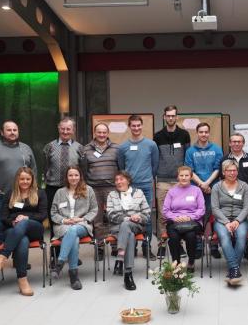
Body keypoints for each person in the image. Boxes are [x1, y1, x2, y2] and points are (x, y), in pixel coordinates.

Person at [0, 167, 47, 296]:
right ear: (17, 180)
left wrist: (26, 218)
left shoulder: (40, 193)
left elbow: (43, 215)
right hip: (13, 230)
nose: (25, 181)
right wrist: (13, 222)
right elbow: (4, 217)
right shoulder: (10, 194)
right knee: (22, 240)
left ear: (32, 180)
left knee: (24, 223)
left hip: (34, 228)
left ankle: (2, 257)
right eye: (22, 179)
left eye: (28, 179)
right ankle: (22, 280)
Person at [0, 120, 38, 233]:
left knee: (18, 228)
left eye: (15, 130)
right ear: (2, 132)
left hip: (21, 197)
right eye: (9, 130)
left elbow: (33, 170)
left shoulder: (26, 148)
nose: (12, 132)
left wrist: (33, 190)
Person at [117, 115, 159, 260]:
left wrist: (146, 178)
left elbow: (155, 166)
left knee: (146, 217)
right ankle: (131, 247)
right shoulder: (122, 147)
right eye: (133, 125)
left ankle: (147, 248)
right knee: (129, 216)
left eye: (138, 125)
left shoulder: (151, 145)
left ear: (142, 126)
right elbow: (121, 167)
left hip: (146, 186)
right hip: (129, 188)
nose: (136, 128)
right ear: (129, 126)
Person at [50, 165, 98, 290]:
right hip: (63, 226)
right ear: (66, 177)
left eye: (76, 175)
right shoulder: (60, 192)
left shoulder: (88, 190)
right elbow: (53, 213)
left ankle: (60, 262)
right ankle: (73, 276)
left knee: (74, 230)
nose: (73, 178)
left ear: (80, 176)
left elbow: (94, 210)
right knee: (74, 238)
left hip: (82, 224)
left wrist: (81, 219)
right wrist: (64, 220)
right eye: (70, 175)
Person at [154, 105, 191, 258]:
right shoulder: (157, 136)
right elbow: (155, 158)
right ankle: (162, 244)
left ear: (177, 117)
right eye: (168, 116)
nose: (170, 118)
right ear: (164, 117)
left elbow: (187, 158)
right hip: (162, 180)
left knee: (179, 212)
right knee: (163, 213)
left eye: (173, 116)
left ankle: (179, 244)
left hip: (179, 182)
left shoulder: (184, 135)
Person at [184, 122, 224, 259]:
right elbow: (190, 171)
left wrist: (207, 184)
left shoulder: (217, 149)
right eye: (201, 132)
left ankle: (214, 245)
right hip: (196, 189)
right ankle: (199, 246)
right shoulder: (190, 151)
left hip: (213, 188)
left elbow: (218, 168)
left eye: (206, 132)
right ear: (197, 133)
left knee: (214, 216)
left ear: (209, 133)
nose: (204, 134)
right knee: (198, 217)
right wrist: (202, 184)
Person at [106, 171, 151, 291]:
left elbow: (147, 214)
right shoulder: (111, 195)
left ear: (128, 180)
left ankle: (120, 257)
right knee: (129, 235)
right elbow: (110, 215)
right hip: (117, 227)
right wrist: (128, 218)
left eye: (121, 179)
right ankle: (128, 274)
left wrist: (139, 217)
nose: (119, 182)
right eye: (116, 180)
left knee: (127, 227)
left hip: (136, 226)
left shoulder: (139, 193)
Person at [211, 159, 248, 285]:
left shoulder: (244, 186)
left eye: (234, 170)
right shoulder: (216, 187)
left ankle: (233, 270)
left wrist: (238, 220)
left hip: (240, 220)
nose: (232, 173)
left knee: (241, 237)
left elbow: (247, 207)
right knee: (224, 236)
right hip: (222, 220)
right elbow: (215, 208)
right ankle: (235, 268)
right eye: (229, 170)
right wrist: (226, 222)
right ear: (223, 172)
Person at [81, 122, 120, 249]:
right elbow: (84, 169)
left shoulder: (116, 148)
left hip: (112, 188)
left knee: (113, 217)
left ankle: (115, 245)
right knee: (97, 220)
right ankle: (100, 247)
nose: (102, 135)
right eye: (99, 132)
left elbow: (120, 168)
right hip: (93, 189)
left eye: (104, 132)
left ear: (107, 133)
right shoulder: (86, 149)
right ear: (95, 133)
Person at [162, 166, 206, 273]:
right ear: (178, 177)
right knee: (174, 237)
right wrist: (176, 218)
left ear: (191, 177)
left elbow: (201, 209)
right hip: (175, 222)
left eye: (186, 175)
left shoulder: (197, 191)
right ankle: (176, 263)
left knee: (191, 236)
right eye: (181, 175)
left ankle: (191, 261)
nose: (184, 178)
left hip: (193, 221)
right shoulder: (171, 192)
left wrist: (190, 217)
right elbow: (166, 210)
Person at [43, 117, 83, 212]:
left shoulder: (80, 148)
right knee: (53, 212)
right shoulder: (49, 147)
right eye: (62, 129)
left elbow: (82, 169)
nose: (65, 132)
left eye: (68, 129)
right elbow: (45, 167)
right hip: (53, 187)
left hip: (74, 187)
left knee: (72, 212)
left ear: (73, 130)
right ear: (58, 129)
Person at [225, 133, 248, 205]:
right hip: (229, 195)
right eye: (234, 142)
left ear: (243, 143)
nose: (237, 144)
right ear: (230, 143)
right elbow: (222, 177)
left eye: (239, 142)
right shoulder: (224, 159)